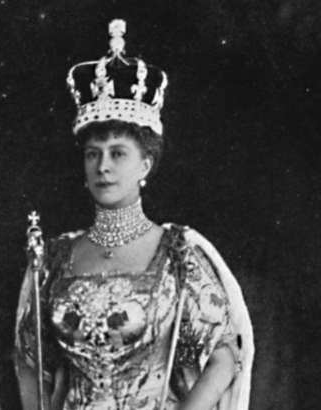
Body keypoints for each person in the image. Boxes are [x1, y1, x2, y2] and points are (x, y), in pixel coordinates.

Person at [14, 20, 254, 410]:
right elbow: (28, 359)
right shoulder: (55, 257)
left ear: (145, 164)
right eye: (93, 153)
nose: (103, 166)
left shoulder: (177, 252)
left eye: (117, 153)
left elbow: (224, 357)